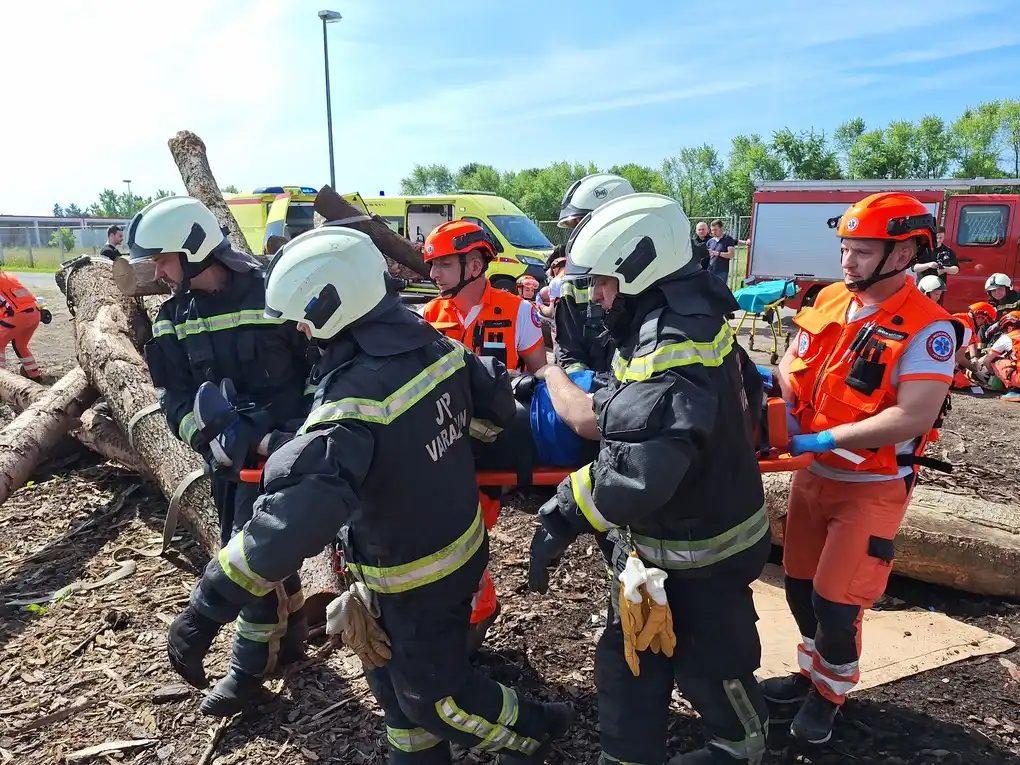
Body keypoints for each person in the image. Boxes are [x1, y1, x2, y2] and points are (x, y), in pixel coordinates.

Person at [165, 224, 572, 763]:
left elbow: (292, 517)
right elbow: (494, 422)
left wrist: (204, 609)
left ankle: (538, 731)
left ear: (333, 307)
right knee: (397, 701)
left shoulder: (354, 400)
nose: (302, 335)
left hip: (415, 577)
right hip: (439, 556)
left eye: (305, 322)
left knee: (437, 699)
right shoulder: (436, 345)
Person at [527, 193, 771, 765]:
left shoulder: (672, 349)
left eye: (606, 284)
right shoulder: (674, 315)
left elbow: (639, 472)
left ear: (641, 271)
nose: (598, 299)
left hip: (703, 552)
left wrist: (563, 511)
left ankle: (742, 746)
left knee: (711, 661)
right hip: (657, 546)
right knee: (629, 656)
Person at [765, 192, 958, 745]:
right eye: (846, 248)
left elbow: (913, 413)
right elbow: (792, 362)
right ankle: (810, 672)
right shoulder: (828, 299)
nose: (848, 261)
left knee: (837, 600)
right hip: (811, 476)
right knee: (799, 588)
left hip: (871, 486)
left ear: (904, 254)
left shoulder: (930, 327)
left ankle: (830, 693)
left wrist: (825, 435)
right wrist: (776, 401)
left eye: (863, 250)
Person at [130, 196, 313, 716]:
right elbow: (175, 401)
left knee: (247, 556)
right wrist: (206, 436)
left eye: (163, 259)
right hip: (229, 461)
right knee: (262, 554)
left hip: (291, 451)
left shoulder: (275, 292)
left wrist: (293, 437)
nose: (158, 271)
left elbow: (320, 366)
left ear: (192, 250)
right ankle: (293, 630)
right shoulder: (172, 321)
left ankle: (246, 670)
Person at [422, 220, 547, 374]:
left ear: (475, 267)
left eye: (445, 264)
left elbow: (540, 377)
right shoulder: (427, 313)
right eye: (432, 265)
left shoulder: (520, 311)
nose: (433, 274)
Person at [553, 173, 635, 375]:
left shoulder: (647, 278)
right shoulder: (572, 285)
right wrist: (582, 386)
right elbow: (569, 352)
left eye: (583, 225)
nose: (578, 237)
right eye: (575, 228)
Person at [0, 270, 51, 379]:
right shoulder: (8, 276)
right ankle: (34, 376)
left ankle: (1, 380)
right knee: (21, 346)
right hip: (35, 314)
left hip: (16, 316)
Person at [978, 310, 1020, 399]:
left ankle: (1014, 389)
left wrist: (993, 375)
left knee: (995, 360)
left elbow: (987, 361)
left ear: (1009, 327)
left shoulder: (1006, 337)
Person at [912, 225, 958, 304]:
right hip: (923, 287)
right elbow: (914, 268)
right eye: (937, 237)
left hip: (938, 289)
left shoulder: (948, 251)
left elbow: (956, 269)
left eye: (941, 238)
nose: (938, 240)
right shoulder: (922, 249)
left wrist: (946, 269)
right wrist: (929, 265)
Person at [706, 219, 751, 286]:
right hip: (710, 271)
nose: (713, 232)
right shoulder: (710, 241)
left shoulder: (728, 239)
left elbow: (731, 255)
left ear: (721, 228)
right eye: (712, 230)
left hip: (722, 271)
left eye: (715, 230)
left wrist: (717, 253)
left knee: (720, 291)